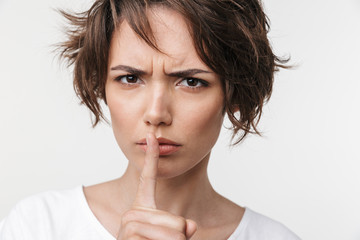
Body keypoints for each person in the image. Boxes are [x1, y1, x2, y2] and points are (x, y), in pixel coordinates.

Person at [0, 0, 301, 239]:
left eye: (191, 82)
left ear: (234, 94)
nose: (156, 113)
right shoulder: (39, 226)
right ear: (100, 84)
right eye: (130, 78)